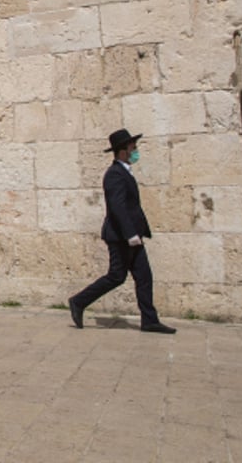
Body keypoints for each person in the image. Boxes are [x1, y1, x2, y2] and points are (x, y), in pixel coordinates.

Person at [68, 129, 176, 334]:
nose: (136, 151)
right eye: (133, 148)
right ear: (123, 151)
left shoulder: (124, 171)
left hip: (132, 235)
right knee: (116, 276)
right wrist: (130, 235)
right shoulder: (114, 174)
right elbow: (117, 207)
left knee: (144, 276)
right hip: (121, 237)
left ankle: (150, 320)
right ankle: (79, 301)